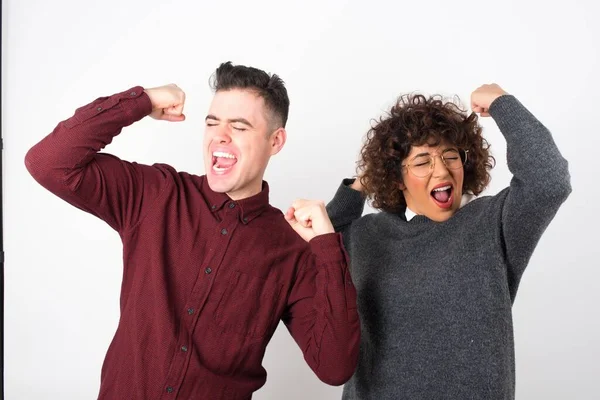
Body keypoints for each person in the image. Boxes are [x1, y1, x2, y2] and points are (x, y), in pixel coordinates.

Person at [25, 62, 360, 399]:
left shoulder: (292, 249)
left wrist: (327, 248)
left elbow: (334, 368)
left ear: (275, 141)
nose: (220, 135)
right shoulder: (155, 194)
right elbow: (47, 162)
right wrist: (140, 101)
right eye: (212, 122)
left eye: (239, 126)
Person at [325, 84, 571, 399]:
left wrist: (502, 103)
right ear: (398, 178)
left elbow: (548, 181)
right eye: (423, 161)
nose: (441, 170)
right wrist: (358, 186)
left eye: (450, 156)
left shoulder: (493, 224)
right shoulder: (367, 235)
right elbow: (318, 247)